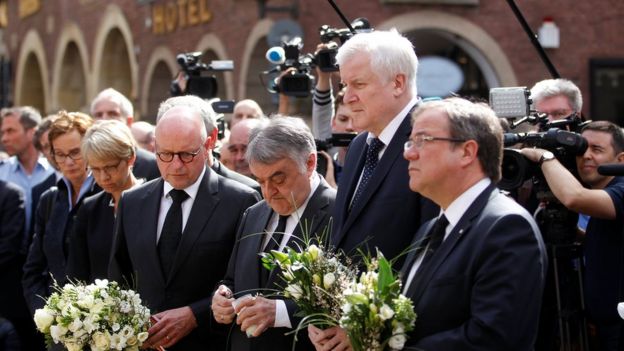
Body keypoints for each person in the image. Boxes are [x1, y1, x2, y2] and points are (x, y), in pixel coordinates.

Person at [108, 95, 260, 351]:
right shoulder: (133, 202)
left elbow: (245, 282)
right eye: (165, 154)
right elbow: (119, 275)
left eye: (187, 155)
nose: (176, 165)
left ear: (208, 143)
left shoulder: (241, 200)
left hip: (211, 342)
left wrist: (195, 314)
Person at [212, 116, 335, 351]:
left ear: (310, 163)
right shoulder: (253, 213)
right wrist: (223, 296)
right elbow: (232, 279)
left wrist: (280, 312)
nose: (269, 192)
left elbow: (346, 301)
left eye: (278, 178)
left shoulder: (339, 214)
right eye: (260, 180)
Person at [330, 29, 437, 264]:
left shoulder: (432, 143)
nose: (347, 97)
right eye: (345, 85)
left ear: (398, 83)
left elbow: (431, 249)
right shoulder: (359, 145)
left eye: (358, 84)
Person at [521, 120, 624, 350]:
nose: (586, 156)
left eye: (597, 150)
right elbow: (606, 244)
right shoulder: (604, 193)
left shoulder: (622, 188)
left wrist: (544, 158)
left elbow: (574, 198)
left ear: (621, 159)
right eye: (581, 149)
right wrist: (572, 232)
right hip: (604, 327)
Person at [22, 111, 99, 314]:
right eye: (60, 154)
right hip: (57, 327)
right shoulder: (50, 199)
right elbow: (33, 269)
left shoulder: (108, 195)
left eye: (76, 152)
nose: (69, 162)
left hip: (102, 324)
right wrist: (44, 314)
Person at [66, 120, 143, 282]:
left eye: (110, 167)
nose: (103, 177)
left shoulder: (156, 201)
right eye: (95, 169)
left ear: (131, 158)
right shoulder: (89, 209)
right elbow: (77, 273)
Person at [0, 106, 55, 252]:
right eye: (3, 132)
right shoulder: (2, 173)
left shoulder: (55, 172)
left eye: (11, 131)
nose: (4, 138)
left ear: (32, 132)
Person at [90, 87, 160, 180]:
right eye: (99, 115)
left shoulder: (151, 165)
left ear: (129, 122)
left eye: (112, 114)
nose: (104, 120)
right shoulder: (88, 165)